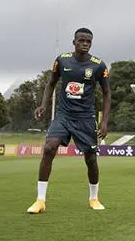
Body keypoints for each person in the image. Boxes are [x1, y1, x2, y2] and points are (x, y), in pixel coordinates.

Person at [27, 28, 111, 213]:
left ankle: (94, 198)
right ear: (74, 42)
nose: (85, 44)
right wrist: (44, 105)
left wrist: (104, 122)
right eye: (81, 40)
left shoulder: (98, 65)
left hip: (85, 118)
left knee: (90, 158)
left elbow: (106, 94)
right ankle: (40, 200)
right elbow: (51, 83)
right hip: (64, 115)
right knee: (49, 148)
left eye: (88, 41)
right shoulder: (62, 60)